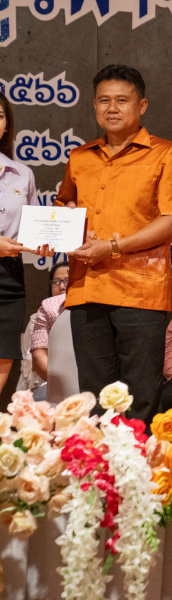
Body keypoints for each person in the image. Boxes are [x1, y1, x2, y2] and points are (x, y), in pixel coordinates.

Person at [57, 65, 172, 423]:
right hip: (86, 288)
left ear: (142, 105)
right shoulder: (80, 156)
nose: (112, 108)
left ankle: (137, 461)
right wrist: (62, 222)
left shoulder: (167, 153)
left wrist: (113, 248)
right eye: (104, 101)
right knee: (94, 397)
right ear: (94, 106)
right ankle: (99, 460)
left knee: (139, 397)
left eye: (122, 100)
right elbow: (63, 205)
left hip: (141, 291)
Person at [0, 93, 37, 398]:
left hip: (9, 275)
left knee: (3, 352)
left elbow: (34, 227)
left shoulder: (22, 174)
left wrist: (45, 242)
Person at [24, 263, 71, 397]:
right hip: (51, 380)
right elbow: (36, 357)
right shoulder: (43, 312)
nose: (62, 286)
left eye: (67, 280)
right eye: (56, 282)